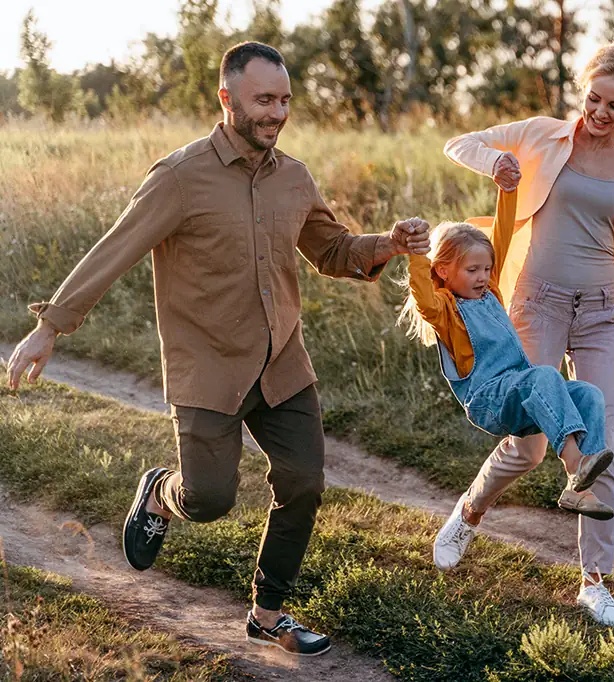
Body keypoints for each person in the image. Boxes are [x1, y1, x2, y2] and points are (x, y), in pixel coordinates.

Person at [5, 41, 429, 656]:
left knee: (304, 481)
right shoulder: (179, 177)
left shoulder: (295, 177)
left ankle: (268, 613)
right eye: (264, 100)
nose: (277, 113)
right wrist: (51, 326)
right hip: (208, 366)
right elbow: (114, 249)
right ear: (226, 98)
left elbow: (332, 252)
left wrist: (387, 244)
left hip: (282, 361)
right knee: (208, 498)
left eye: (284, 100)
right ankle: (158, 493)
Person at [439, 43, 614, 626]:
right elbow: (461, 143)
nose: (600, 112)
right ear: (583, 91)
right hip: (536, 303)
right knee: (530, 442)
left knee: (600, 443)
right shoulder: (542, 134)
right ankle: (468, 512)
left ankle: (594, 583)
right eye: (593, 98)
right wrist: (496, 165)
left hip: (601, 312)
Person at [400, 189, 614, 569]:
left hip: (519, 393)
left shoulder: (491, 291)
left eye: (487, 268)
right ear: (443, 271)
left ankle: (580, 484)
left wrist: (508, 189)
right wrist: (417, 251)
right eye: (472, 271)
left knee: (588, 395)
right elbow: (421, 292)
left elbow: (500, 233)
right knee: (544, 376)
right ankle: (574, 466)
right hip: (488, 401)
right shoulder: (446, 312)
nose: (484, 276)